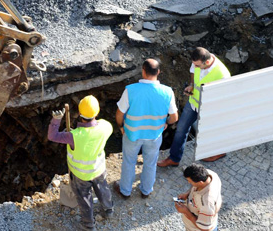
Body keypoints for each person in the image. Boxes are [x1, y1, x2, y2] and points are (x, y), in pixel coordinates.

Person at [113, 59, 178, 199]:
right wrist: (165, 123)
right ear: (158, 72)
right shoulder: (167, 92)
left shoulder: (130, 90)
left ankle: (125, 191)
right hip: (154, 135)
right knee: (150, 163)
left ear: (143, 71)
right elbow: (174, 117)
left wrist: (121, 126)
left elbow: (119, 114)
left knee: (129, 162)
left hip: (132, 135)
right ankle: (146, 190)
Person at [48, 95, 113, 231]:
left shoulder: (73, 136)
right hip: (99, 169)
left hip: (80, 175)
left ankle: (89, 226)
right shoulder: (106, 126)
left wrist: (56, 120)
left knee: (84, 199)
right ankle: (108, 209)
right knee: (103, 189)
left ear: (79, 113)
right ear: (97, 112)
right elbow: (92, 133)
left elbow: (52, 136)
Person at [158, 47, 231, 167]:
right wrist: (191, 85)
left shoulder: (222, 75)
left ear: (206, 62)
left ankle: (218, 152)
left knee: (211, 131)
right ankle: (174, 158)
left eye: (197, 65)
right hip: (193, 103)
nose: (195, 67)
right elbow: (193, 71)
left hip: (210, 108)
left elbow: (224, 96)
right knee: (181, 129)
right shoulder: (198, 63)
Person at [175, 163, 222, 231]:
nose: (188, 183)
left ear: (200, 183)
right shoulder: (210, 174)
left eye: (190, 181)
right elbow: (195, 186)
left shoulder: (207, 204)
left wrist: (186, 211)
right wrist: (187, 194)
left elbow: (205, 228)